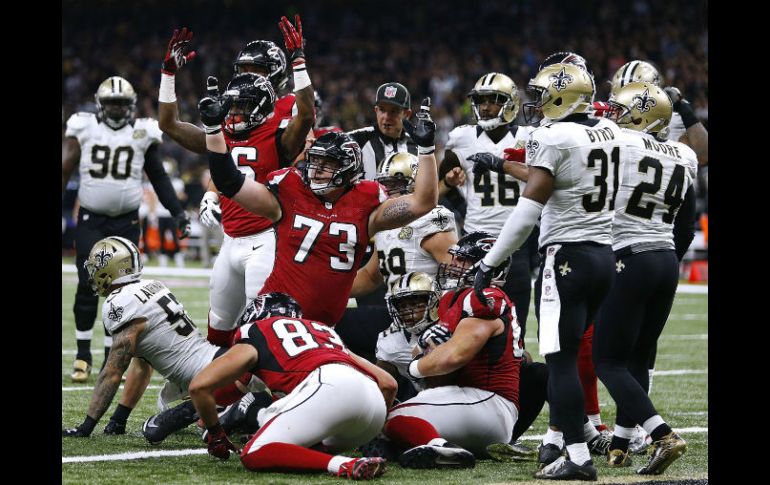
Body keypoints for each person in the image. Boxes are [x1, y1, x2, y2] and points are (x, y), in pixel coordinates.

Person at [474, 62, 628, 480]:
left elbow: (528, 211)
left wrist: (490, 261)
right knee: (570, 355)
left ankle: (576, 456)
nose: (538, 104)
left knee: (559, 362)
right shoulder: (609, 130)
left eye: (543, 96)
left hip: (567, 259)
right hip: (603, 254)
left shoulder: (553, 136)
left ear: (562, 96)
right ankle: (565, 441)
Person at [199, 86, 439, 328]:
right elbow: (230, 182)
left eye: (328, 163)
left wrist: (427, 150)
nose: (316, 169)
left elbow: (423, 202)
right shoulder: (289, 194)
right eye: (315, 161)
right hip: (278, 319)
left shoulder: (365, 205)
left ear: (348, 169)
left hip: (324, 328)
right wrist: (213, 130)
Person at [156, 21, 314, 347]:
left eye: (256, 71)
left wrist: (299, 61)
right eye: (244, 72)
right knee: (219, 326)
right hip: (231, 237)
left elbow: (306, 120)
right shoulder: (225, 126)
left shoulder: (283, 124)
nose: (236, 110)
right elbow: (170, 125)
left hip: (269, 235)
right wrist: (168, 73)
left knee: (262, 327)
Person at [593, 81, 695, 475]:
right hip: (665, 259)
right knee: (636, 356)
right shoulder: (684, 154)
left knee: (607, 361)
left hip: (629, 257)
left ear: (641, 115)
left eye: (620, 110)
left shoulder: (621, 142)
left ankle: (662, 434)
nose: (613, 116)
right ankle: (620, 444)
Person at [62, 76, 190, 383]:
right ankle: (83, 355)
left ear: (131, 105)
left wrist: (177, 211)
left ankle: (111, 356)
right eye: (112, 103)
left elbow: (158, 176)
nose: (117, 109)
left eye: (121, 103)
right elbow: (65, 167)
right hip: (92, 219)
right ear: (100, 105)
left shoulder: (143, 131)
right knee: (87, 283)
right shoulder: (84, 126)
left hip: (127, 221)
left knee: (123, 291)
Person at [188, 293, 395, 480]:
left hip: (329, 385)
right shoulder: (323, 331)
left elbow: (199, 387)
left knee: (254, 452)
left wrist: (216, 434)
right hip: (372, 408)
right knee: (297, 442)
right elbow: (388, 384)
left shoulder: (256, 330)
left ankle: (343, 464)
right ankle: (336, 453)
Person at [61, 237, 250, 439]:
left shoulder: (120, 302)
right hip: (221, 364)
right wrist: (118, 419)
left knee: (155, 430)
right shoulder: (151, 285)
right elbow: (142, 366)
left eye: (96, 268)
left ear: (111, 269)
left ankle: (227, 409)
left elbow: (113, 372)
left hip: (216, 378)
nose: (93, 274)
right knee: (156, 429)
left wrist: (86, 427)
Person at [380, 232, 522, 469]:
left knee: (392, 418)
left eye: (464, 260)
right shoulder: (455, 299)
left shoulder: (484, 297)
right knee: (395, 418)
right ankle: (439, 444)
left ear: (490, 266)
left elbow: (454, 356)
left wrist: (415, 367)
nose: (454, 264)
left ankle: (442, 448)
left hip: (488, 403)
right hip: (468, 401)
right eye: (456, 258)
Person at [438, 72, 534, 336]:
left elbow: (543, 179)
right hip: (474, 241)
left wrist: (503, 166)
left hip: (516, 242)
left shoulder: (529, 137)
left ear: (511, 103)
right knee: (468, 323)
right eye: (481, 101)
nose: (486, 107)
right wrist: (450, 182)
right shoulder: (462, 138)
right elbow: (441, 184)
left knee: (515, 328)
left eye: (493, 100)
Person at [337, 152, 457, 360]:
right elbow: (371, 276)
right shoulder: (386, 223)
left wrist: (446, 322)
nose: (387, 191)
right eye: (384, 184)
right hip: (399, 315)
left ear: (415, 184)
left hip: (430, 315)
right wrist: (329, 291)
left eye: (395, 184)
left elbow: (458, 275)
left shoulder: (430, 220)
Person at [347, 82, 418, 180]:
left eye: (394, 111)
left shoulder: (417, 146)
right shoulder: (356, 139)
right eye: (382, 110)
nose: (386, 117)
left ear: (407, 114)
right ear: (376, 111)